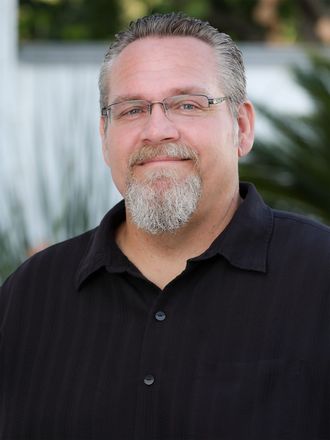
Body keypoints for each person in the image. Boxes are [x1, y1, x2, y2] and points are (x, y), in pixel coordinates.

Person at [0, 12, 329, 440]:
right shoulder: (27, 299)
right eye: (133, 109)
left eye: (187, 104)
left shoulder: (321, 278)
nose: (156, 130)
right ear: (105, 136)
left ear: (241, 128)